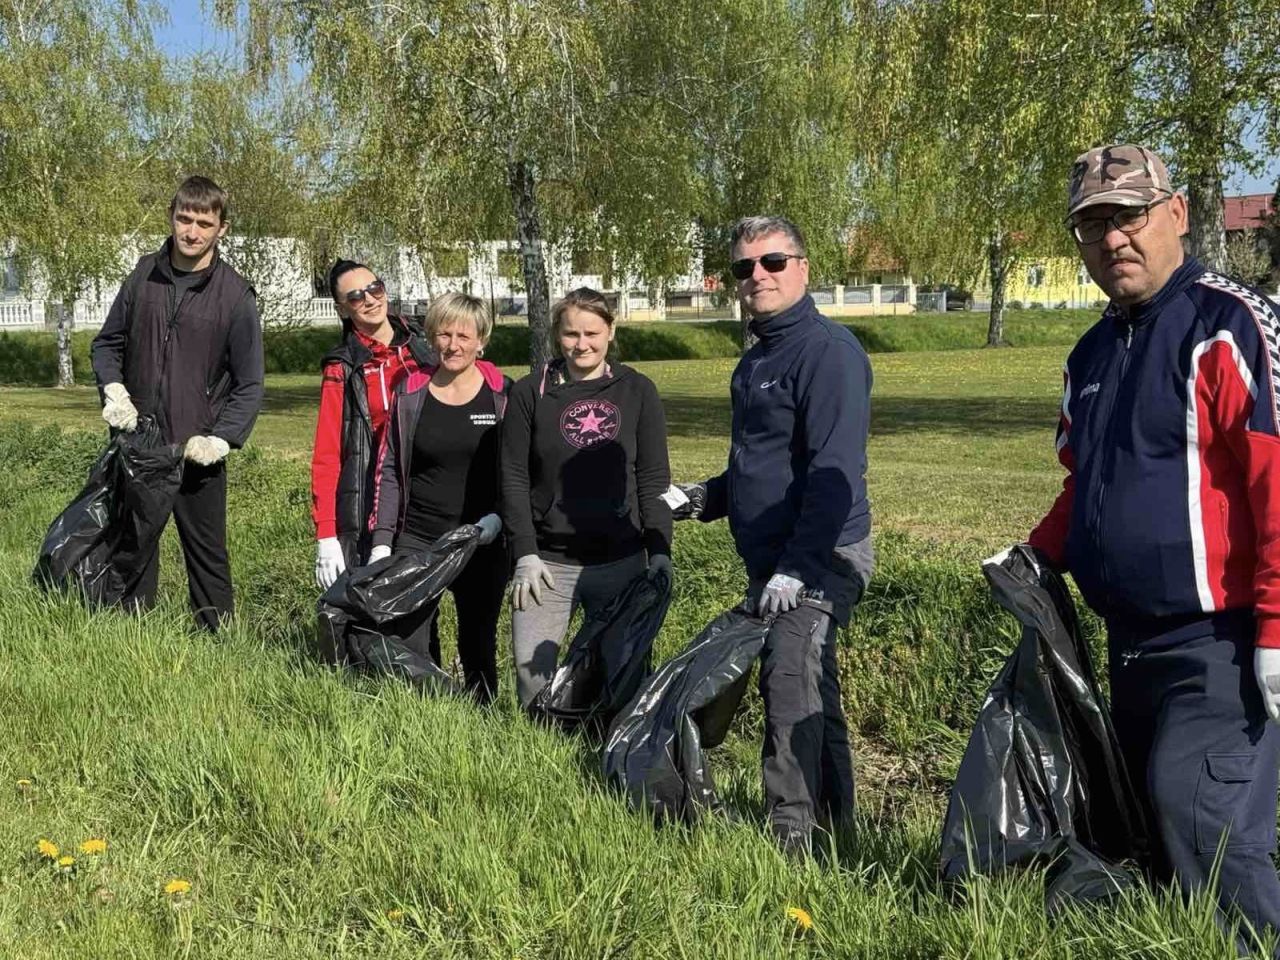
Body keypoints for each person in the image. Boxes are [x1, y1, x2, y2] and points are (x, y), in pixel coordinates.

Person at [1008, 143, 1280, 947]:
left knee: (1209, 831)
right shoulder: (1092, 351)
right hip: (1126, 644)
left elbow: (1275, 479)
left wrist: (1274, 628)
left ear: (1177, 214)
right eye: (1091, 226)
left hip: (1219, 643)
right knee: (1148, 840)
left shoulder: (1230, 322)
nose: (1112, 241)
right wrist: (1034, 556)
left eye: (1128, 217)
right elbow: (1083, 483)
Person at [670, 215, 874, 857]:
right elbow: (755, 467)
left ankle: (793, 845)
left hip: (822, 554)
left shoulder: (828, 353)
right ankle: (838, 828)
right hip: (775, 560)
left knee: (788, 681)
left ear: (803, 268)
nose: (757, 276)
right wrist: (700, 499)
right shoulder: (756, 360)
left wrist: (799, 567)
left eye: (773, 262)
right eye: (743, 267)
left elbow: (833, 473)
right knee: (814, 690)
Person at [90, 175, 264, 632]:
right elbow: (107, 344)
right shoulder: (143, 276)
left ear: (221, 228)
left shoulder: (235, 297)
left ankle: (217, 645)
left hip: (196, 449)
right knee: (133, 544)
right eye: (184, 218)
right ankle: (130, 637)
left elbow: (250, 383)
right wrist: (113, 389)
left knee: (207, 555)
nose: (191, 231)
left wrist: (222, 438)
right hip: (139, 441)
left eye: (203, 223)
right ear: (171, 217)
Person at [501, 287, 673, 708]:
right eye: (571, 334)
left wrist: (660, 549)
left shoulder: (637, 390)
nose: (582, 344)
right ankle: (542, 760)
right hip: (547, 565)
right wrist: (524, 552)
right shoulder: (529, 393)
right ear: (557, 335)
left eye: (592, 333)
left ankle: (607, 763)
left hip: (622, 562)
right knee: (532, 682)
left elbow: (653, 478)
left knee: (622, 681)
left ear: (610, 332)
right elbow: (513, 478)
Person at [368, 292, 509, 702]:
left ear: (481, 339)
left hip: (480, 539)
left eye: (463, 335)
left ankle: (483, 724)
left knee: (477, 644)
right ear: (431, 337)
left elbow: (519, 472)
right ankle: (431, 722)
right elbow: (390, 469)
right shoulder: (411, 392)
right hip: (418, 537)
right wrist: (382, 542)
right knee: (413, 642)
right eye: (443, 334)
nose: (453, 344)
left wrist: (499, 520)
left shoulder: (503, 395)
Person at [310, 259, 431, 589]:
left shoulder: (425, 348)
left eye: (374, 288)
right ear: (343, 309)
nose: (369, 299)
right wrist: (326, 533)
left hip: (427, 493)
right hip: (372, 499)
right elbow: (327, 454)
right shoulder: (341, 368)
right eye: (355, 296)